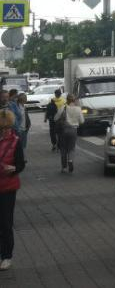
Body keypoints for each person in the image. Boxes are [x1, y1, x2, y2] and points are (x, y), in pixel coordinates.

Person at [0, 109, 25, 271]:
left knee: (5, 222)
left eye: (7, 128)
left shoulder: (16, 141)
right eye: (2, 128)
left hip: (8, 187)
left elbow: (21, 164)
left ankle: (7, 256)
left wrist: (14, 168)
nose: (5, 131)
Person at [55, 94, 84, 173]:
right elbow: (82, 121)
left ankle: (64, 167)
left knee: (63, 149)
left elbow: (55, 118)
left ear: (66, 100)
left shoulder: (62, 108)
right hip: (73, 130)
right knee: (71, 148)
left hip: (63, 130)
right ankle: (70, 160)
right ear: (74, 100)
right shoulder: (78, 109)